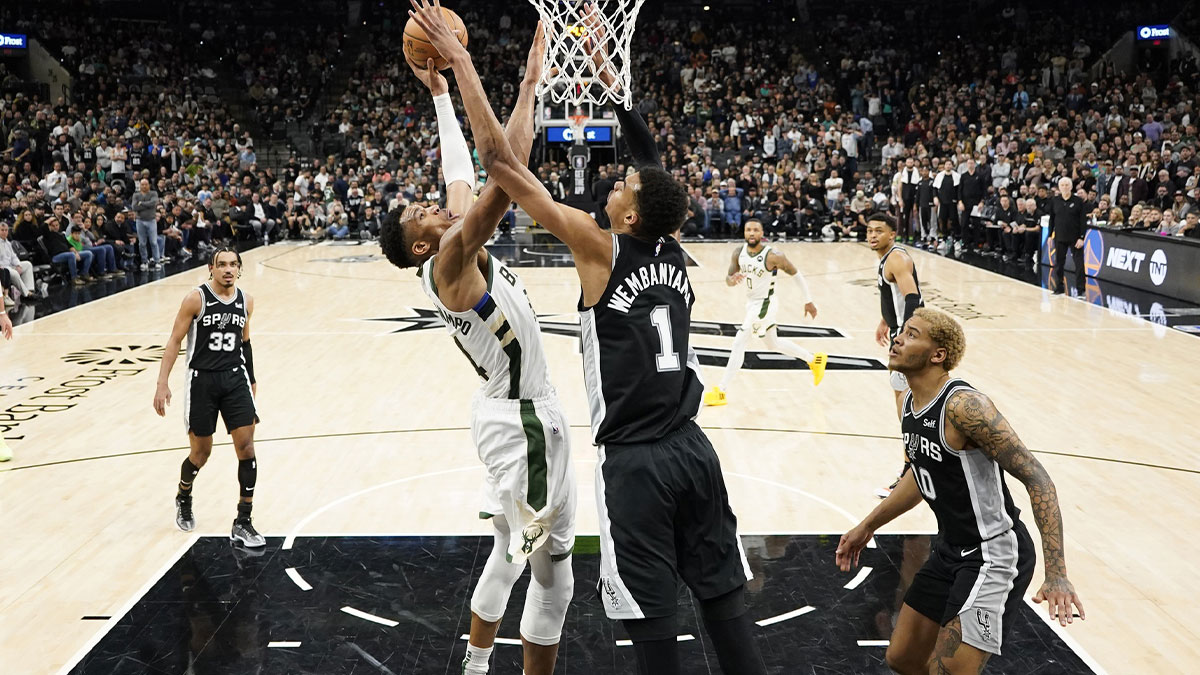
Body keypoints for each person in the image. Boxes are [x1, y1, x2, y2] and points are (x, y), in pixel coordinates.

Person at [409, 5, 767, 674]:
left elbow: (497, 164)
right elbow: (653, 165)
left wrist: (462, 68)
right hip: (691, 450)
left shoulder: (600, 249)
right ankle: (481, 655)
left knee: (646, 617)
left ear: (631, 210)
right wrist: (608, 86)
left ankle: (485, 646)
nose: (618, 176)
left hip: (635, 465)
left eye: (624, 182)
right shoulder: (670, 243)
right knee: (721, 602)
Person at [379, 31, 574, 675]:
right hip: (522, 422)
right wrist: (515, 83)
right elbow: (503, 171)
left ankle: (492, 662)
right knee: (518, 557)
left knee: (552, 569)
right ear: (418, 248)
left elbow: (461, 171)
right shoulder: (452, 261)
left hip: (523, 412)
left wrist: (441, 96)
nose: (433, 207)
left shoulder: (450, 242)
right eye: (421, 215)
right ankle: (477, 664)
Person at [836, 308, 1085, 674]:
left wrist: (1057, 572)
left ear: (938, 354)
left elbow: (1038, 478)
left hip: (995, 554)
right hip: (950, 549)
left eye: (912, 334)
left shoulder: (965, 407)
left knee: (948, 671)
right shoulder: (909, 402)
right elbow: (919, 477)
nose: (898, 338)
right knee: (902, 657)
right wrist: (868, 525)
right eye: (900, 332)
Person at [153, 247, 263, 548]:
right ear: (211, 269)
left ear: (239, 269)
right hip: (201, 381)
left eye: (233, 265)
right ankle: (184, 493)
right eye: (222, 264)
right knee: (201, 453)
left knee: (247, 447)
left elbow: (246, 342)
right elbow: (175, 340)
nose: (228, 269)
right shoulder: (195, 299)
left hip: (235, 379)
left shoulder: (246, 301)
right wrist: (162, 383)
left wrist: (251, 378)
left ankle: (243, 520)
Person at [704, 218, 826, 406]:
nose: (751, 233)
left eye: (755, 230)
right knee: (773, 343)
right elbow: (728, 279)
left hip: (765, 304)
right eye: (748, 230)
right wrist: (732, 279)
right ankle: (814, 360)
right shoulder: (738, 253)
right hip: (751, 303)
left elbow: (796, 274)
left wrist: (808, 300)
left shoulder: (773, 256)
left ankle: (721, 390)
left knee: (739, 342)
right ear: (744, 233)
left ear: (762, 233)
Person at [867, 211, 923, 497]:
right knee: (906, 405)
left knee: (906, 407)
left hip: (907, 341)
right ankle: (915, 469)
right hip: (902, 334)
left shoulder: (897, 258)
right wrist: (885, 320)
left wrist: (905, 336)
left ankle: (910, 473)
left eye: (879, 230)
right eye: (869, 231)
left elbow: (912, 297)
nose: (872, 235)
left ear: (892, 234)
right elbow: (895, 297)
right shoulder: (886, 259)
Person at [1048, 177, 1087, 295]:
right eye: (1062, 185)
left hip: (1075, 238)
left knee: (1079, 264)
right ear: (1059, 187)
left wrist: (1082, 237)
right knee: (1059, 263)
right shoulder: (1054, 200)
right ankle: (1059, 287)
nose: (1064, 187)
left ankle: (1081, 290)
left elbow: (1082, 221)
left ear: (1071, 187)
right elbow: (1052, 219)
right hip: (1060, 237)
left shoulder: (1078, 201)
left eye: (1067, 185)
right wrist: (1050, 235)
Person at [0, 220, 40, 299]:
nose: (4, 232)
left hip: (10, 266)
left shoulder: (8, 243)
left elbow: (13, 256)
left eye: (6, 230)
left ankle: (30, 289)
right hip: (3, 268)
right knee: (14, 273)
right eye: (2, 230)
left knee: (28, 264)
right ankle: (27, 294)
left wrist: (18, 265)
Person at [132, 179, 162, 270]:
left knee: (153, 241)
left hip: (151, 220)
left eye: (146, 184)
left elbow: (153, 203)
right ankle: (144, 261)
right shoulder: (136, 195)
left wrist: (141, 204)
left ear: (149, 185)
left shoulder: (153, 193)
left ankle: (157, 261)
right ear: (140, 186)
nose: (144, 186)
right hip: (140, 220)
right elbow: (134, 207)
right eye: (142, 184)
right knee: (142, 243)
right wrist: (147, 205)